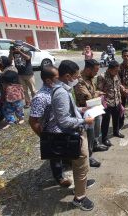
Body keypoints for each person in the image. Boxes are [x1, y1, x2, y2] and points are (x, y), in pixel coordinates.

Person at [46, 60, 95, 211]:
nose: (78, 79)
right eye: (76, 76)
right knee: (80, 165)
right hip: (72, 135)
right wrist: (84, 120)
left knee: (80, 165)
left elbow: (68, 111)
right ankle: (79, 198)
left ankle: (81, 184)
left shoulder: (63, 88)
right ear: (68, 76)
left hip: (75, 131)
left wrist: (81, 109)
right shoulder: (61, 92)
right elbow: (64, 120)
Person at [29, 66, 72, 188]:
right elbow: (33, 121)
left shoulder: (57, 90)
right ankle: (59, 178)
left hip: (63, 127)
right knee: (55, 157)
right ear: (48, 81)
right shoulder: (41, 97)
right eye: (57, 77)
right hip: (52, 132)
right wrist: (43, 136)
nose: (61, 79)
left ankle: (67, 161)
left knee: (66, 149)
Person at [74, 59, 108, 168]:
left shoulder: (90, 77)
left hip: (94, 108)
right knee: (89, 133)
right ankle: (88, 156)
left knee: (97, 128)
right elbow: (87, 97)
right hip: (85, 112)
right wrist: (97, 94)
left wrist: (96, 93)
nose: (97, 73)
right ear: (88, 69)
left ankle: (95, 144)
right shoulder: (79, 81)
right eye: (95, 70)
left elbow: (92, 93)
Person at [97, 60, 124, 147]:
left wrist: (120, 99)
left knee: (116, 118)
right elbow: (99, 90)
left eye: (117, 70)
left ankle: (116, 132)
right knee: (106, 121)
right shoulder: (102, 76)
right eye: (115, 70)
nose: (117, 72)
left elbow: (118, 85)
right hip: (107, 103)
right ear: (109, 69)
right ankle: (104, 138)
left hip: (116, 101)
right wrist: (103, 102)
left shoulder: (116, 75)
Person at [8, 40, 36, 108]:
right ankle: (28, 102)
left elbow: (28, 58)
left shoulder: (27, 51)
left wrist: (20, 52)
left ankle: (36, 102)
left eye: (18, 45)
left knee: (33, 90)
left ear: (22, 46)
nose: (17, 47)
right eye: (16, 45)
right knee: (24, 90)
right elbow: (10, 60)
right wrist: (11, 52)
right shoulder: (14, 52)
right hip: (20, 74)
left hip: (28, 74)